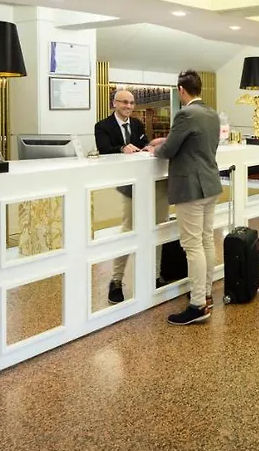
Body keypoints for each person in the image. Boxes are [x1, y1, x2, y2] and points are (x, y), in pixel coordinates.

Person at [145, 70, 221, 326]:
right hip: (210, 184)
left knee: (192, 245)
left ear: (181, 90)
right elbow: (194, 143)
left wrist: (154, 149)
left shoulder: (185, 114)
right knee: (206, 240)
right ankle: (206, 293)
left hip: (190, 187)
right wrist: (166, 140)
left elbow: (168, 151)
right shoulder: (211, 113)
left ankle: (197, 305)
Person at [94, 89, 149, 304]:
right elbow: (104, 150)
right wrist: (121, 149)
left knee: (155, 226)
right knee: (128, 229)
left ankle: (154, 276)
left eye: (132, 103)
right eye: (124, 102)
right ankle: (116, 280)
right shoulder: (102, 126)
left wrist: (150, 147)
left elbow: (145, 144)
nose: (128, 106)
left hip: (145, 182)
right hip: (125, 185)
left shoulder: (137, 124)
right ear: (114, 103)